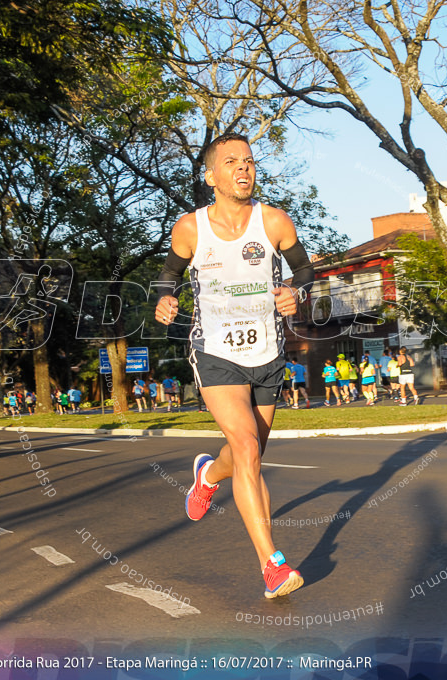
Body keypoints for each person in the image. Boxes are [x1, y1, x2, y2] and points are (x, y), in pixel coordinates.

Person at [153, 132, 314, 599]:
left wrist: (295, 292)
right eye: (231, 162)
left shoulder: (274, 222)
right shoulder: (190, 228)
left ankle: (208, 475)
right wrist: (165, 296)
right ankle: (272, 565)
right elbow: (169, 273)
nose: (243, 169)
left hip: (268, 353)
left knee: (248, 455)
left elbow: (303, 271)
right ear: (211, 176)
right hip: (215, 352)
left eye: (248, 161)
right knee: (245, 447)